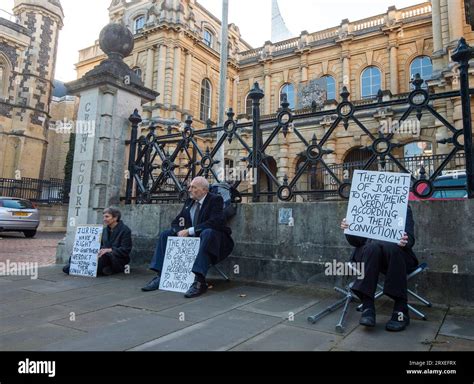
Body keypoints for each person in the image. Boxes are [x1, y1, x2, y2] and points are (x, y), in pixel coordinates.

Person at [142, 177, 234, 298]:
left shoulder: (215, 200)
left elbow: (216, 222)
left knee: (208, 233)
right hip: (193, 240)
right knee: (166, 234)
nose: (189, 189)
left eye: (193, 187)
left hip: (216, 241)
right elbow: (177, 222)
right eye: (190, 187)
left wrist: (190, 231)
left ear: (204, 190)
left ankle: (199, 281)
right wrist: (180, 231)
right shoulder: (189, 202)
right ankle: (161, 276)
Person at [340, 206, 418, 332]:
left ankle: (400, 308)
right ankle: (368, 306)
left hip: (396, 254)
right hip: (369, 254)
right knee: (373, 247)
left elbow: (410, 237)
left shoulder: (403, 207)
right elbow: (357, 241)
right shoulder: (362, 205)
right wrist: (349, 229)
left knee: (391, 247)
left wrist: (405, 240)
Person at [63, 208, 132, 276]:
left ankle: (111, 269)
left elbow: (126, 249)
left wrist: (109, 250)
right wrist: (82, 251)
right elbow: (98, 245)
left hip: (116, 258)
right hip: (102, 255)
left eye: (107, 216)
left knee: (95, 265)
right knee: (71, 262)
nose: (104, 219)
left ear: (115, 218)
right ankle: (105, 269)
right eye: (104, 217)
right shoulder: (104, 230)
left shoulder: (125, 230)